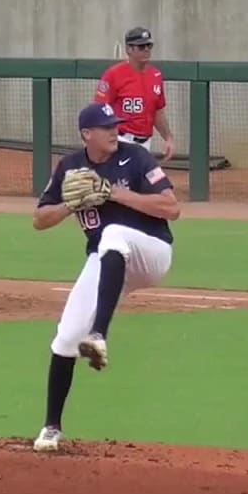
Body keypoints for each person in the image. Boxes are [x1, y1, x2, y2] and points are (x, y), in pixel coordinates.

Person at [31, 101, 181, 452]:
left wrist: (114, 193)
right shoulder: (70, 167)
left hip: (151, 253)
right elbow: (39, 220)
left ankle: (99, 334)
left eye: (116, 124)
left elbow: (172, 207)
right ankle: (51, 428)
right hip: (108, 260)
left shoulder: (135, 158)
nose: (115, 130)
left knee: (113, 233)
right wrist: (72, 204)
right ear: (87, 134)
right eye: (106, 126)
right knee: (66, 337)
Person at [94, 26, 175, 162]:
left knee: (142, 182)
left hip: (145, 144)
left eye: (149, 45)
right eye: (141, 46)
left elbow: (157, 111)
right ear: (129, 49)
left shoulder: (155, 75)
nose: (147, 50)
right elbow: (99, 110)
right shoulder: (113, 74)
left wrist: (168, 138)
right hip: (120, 140)